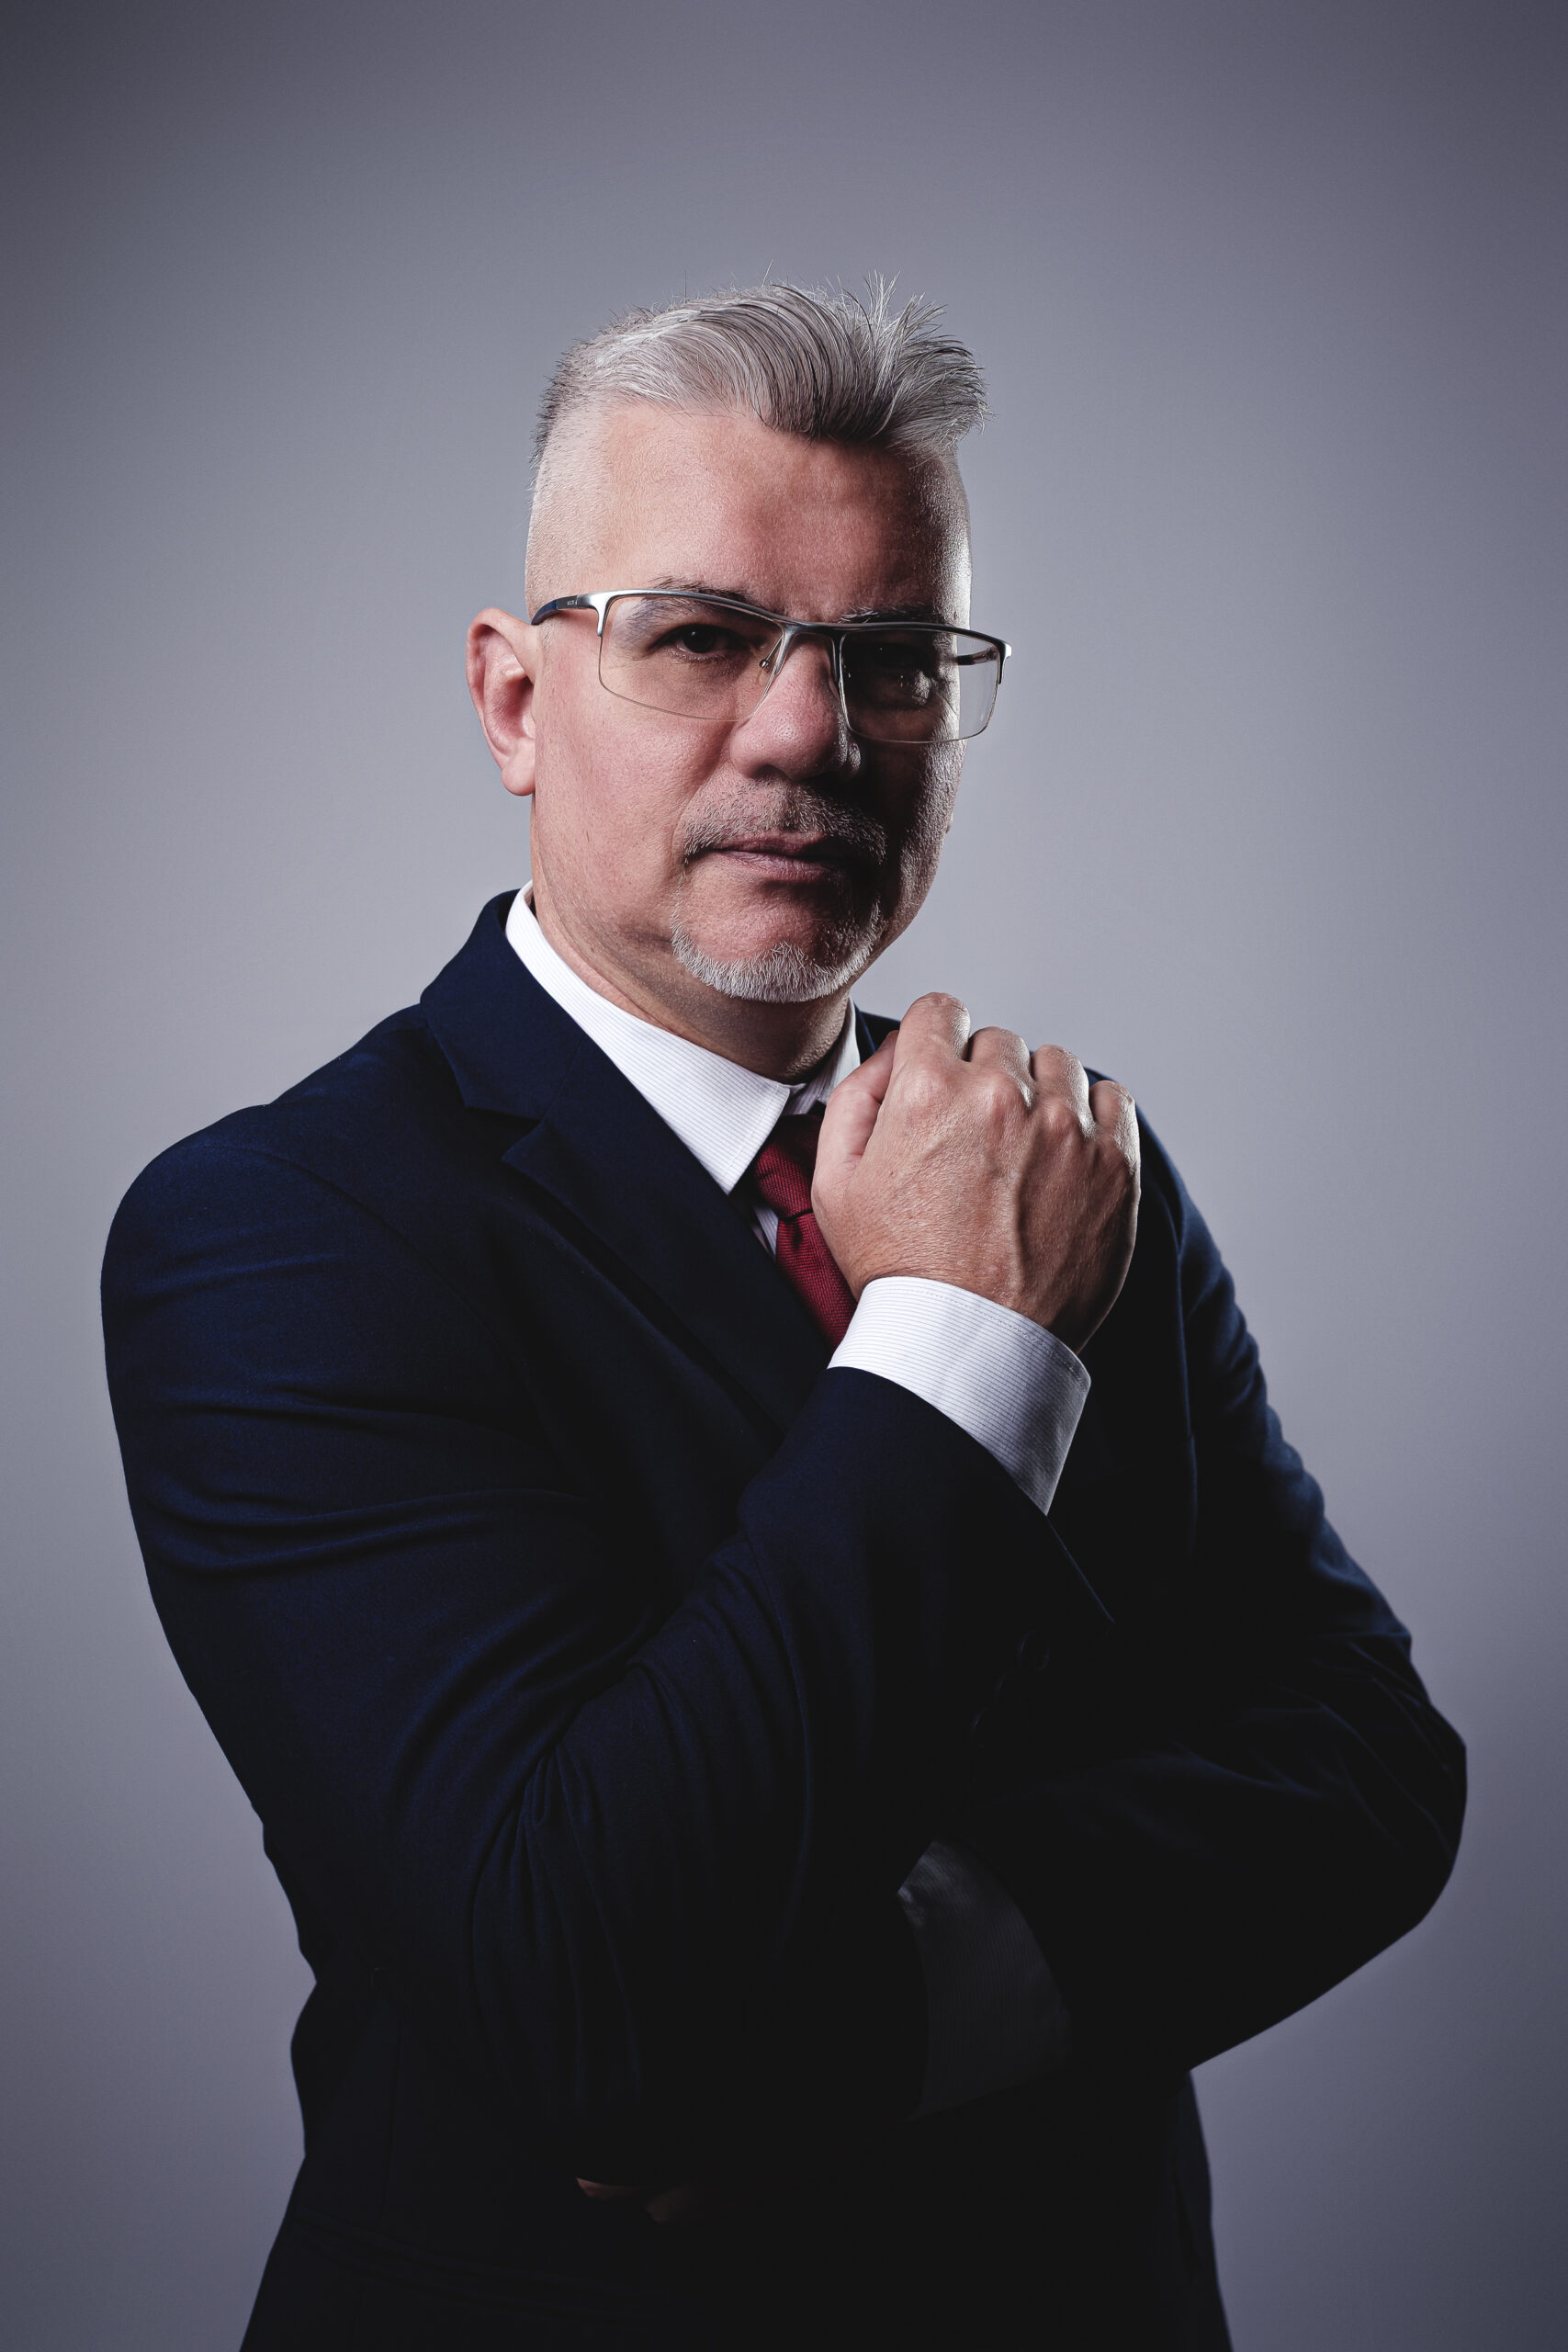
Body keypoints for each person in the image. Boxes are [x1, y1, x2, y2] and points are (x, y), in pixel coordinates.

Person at [102, 284, 1464, 2350]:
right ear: (513, 699)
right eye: (699, 636)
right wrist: (956, 1332)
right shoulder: (281, 1232)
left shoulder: (1065, 1160)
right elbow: (592, 1994)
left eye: (891, 659)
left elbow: (1367, 1768)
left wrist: (880, 2017)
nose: (810, 733)